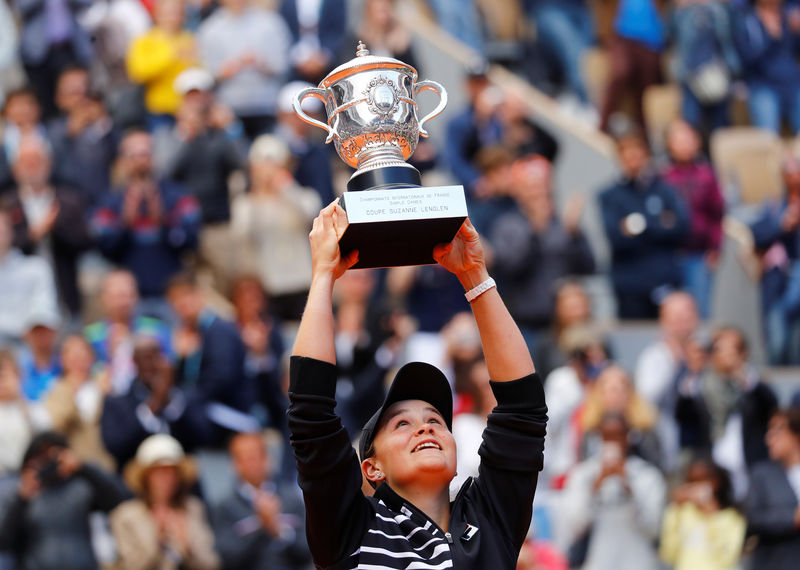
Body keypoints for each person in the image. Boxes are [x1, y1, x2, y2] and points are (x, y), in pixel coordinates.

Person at [289, 202, 547, 568]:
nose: (425, 426)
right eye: (402, 423)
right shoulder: (350, 530)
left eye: (436, 421)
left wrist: (475, 276)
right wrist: (322, 278)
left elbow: (523, 410)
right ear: (371, 469)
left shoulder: (489, 520)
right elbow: (310, 413)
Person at [90, 129, 201, 310]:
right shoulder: (110, 201)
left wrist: (164, 221)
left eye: (145, 154)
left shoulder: (177, 195)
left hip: (171, 295)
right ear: (123, 160)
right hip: (130, 301)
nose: (140, 162)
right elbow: (104, 247)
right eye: (133, 156)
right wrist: (125, 223)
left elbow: (191, 241)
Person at [489, 155, 594, 343]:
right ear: (518, 191)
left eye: (543, 186)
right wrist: (535, 232)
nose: (539, 193)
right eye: (532, 187)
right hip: (526, 324)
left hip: (565, 327)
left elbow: (588, 267)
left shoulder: (563, 224)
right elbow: (509, 270)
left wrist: (575, 235)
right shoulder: (507, 226)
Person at [674, 327, 778, 497]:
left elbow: (772, 407)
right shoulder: (700, 386)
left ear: (744, 353)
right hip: (714, 473)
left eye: (732, 350)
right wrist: (694, 370)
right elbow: (682, 415)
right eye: (718, 349)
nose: (725, 356)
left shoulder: (753, 386)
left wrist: (741, 374)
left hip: (749, 471)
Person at [0, 432, 128, 569]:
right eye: (40, 457)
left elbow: (119, 501)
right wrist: (22, 499)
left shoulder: (80, 487)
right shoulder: (19, 492)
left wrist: (82, 468)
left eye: (52, 457)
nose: (47, 463)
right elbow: (4, 542)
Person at [599, 127, 690, 319]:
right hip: (630, 287)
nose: (633, 159)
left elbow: (681, 227)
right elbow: (617, 238)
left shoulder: (664, 190)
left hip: (664, 281)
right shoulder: (609, 196)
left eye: (637, 152)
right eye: (627, 153)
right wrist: (660, 223)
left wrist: (639, 226)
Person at [559, 413, 666, 570]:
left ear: (628, 437)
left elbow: (653, 529)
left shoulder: (647, 476)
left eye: (617, 436)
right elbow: (572, 528)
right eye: (606, 436)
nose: (612, 442)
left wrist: (629, 488)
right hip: (594, 563)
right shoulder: (583, 475)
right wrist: (595, 488)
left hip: (638, 563)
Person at [231, 135, 320, 321]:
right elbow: (241, 233)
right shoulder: (246, 204)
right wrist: (256, 190)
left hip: (302, 282)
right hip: (268, 286)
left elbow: (310, 213)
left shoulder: (302, 195)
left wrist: (284, 184)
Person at [6, 134, 92, 317]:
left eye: (37, 161)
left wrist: (55, 228)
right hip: (18, 296)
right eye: (26, 162)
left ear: (49, 164)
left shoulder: (68, 200)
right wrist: (34, 234)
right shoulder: (7, 205)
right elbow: (6, 248)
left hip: (64, 287)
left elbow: (84, 241)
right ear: (15, 169)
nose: (32, 167)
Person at [100, 334, 214, 469]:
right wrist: (154, 404)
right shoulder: (116, 403)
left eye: (155, 357)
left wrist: (170, 402)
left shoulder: (185, 396)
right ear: (134, 362)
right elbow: (116, 447)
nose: (151, 364)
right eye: (144, 358)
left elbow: (205, 436)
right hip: (135, 483)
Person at [110, 434, 220, 570]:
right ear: (146, 478)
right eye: (159, 473)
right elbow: (131, 566)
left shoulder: (193, 508)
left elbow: (212, 563)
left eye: (172, 473)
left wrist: (188, 546)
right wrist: (157, 539)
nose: (167, 480)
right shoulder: (126, 515)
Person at [211, 432, 311, 569]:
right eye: (246, 458)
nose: (253, 463)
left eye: (257, 456)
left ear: (268, 459)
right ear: (235, 464)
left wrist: (281, 532)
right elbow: (228, 558)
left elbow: (309, 551)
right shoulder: (225, 507)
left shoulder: (291, 499)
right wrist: (262, 525)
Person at [197, 0, 292, 139]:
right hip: (228, 109)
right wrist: (227, 69)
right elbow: (205, 73)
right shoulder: (210, 28)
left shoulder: (270, 23)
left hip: (266, 106)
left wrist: (260, 64)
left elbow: (283, 64)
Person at [662, 119, 725, 318]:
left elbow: (717, 213)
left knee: (700, 312)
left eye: (688, 138)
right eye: (678, 139)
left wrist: (715, 248)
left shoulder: (707, 175)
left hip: (698, 255)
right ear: (669, 144)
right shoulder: (662, 177)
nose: (684, 143)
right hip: (669, 254)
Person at [635, 291, 699, 470]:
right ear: (664, 321)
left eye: (688, 316)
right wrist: (677, 363)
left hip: (699, 453)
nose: (683, 324)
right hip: (664, 451)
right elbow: (647, 401)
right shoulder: (653, 357)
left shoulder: (704, 355)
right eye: (677, 318)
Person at [85, 269, 172, 396]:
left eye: (127, 295)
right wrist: (110, 352)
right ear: (104, 298)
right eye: (117, 296)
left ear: (136, 296)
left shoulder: (156, 329)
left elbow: (169, 364)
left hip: (149, 396)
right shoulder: (91, 335)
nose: (123, 302)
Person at [751, 152, 800, 364]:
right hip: (777, 283)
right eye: (788, 171)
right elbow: (756, 234)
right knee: (777, 340)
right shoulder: (774, 206)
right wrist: (782, 225)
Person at [659, 457, 745, 570]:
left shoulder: (732, 518)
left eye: (701, 481)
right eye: (692, 482)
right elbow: (668, 554)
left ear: (716, 483)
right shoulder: (681, 513)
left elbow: (727, 558)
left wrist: (711, 513)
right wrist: (675, 509)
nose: (696, 487)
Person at [45, 335, 116, 471]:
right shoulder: (55, 391)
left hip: (103, 465)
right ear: (62, 360)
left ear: (91, 357)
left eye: (82, 351)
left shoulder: (104, 389)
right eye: (71, 352)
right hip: (70, 468)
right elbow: (56, 428)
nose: (78, 357)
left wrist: (107, 396)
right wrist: (71, 392)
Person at [670, 0, 740, 135]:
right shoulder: (683, 10)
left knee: (721, 126)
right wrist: (678, 9)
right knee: (692, 124)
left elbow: (731, 35)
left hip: (718, 72)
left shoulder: (720, 10)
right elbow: (668, 35)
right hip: (690, 74)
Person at [14, 0, 93, 118]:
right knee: (45, 100)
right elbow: (21, 6)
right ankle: (53, 132)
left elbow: (88, 3)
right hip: (38, 52)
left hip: (69, 47)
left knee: (74, 91)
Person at [733, 0, 800, 133]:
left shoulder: (789, 17)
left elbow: (794, 51)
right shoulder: (747, 21)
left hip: (793, 85)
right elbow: (746, 59)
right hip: (763, 87)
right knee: (767, 136)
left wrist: (797, 33)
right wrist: (770, 36)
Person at [126, 0, 197, 125]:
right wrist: (171, 55)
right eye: (168, 13)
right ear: (157, 14)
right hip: (159, 110)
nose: (173, 17)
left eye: (176, 12)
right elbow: (138, 73)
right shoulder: (145, 40)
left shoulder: (189, 39)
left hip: (189, 110)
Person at [745, 408, 800, 569]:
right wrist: (793, 518)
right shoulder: (762, 474)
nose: (769, 438)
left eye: (777, 431)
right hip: (776, 562)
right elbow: (753, 517)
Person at [598, 0, 665, 132]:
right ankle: (601, 127)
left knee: (645, 91)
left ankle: (644, 137)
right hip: (622, 38)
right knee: (621, 72)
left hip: (651, 44)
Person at [0, 208, 59, 347]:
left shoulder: (36, 268)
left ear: (11, 232)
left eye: (1, 230)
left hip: (26, 346)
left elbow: (45, 310)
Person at [280, 0, 347, 83]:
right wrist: (298, 58)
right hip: (295, 70)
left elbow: (338, 30)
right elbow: (284, 31)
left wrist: (324, 57)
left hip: (329, 69)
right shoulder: (287, 2)